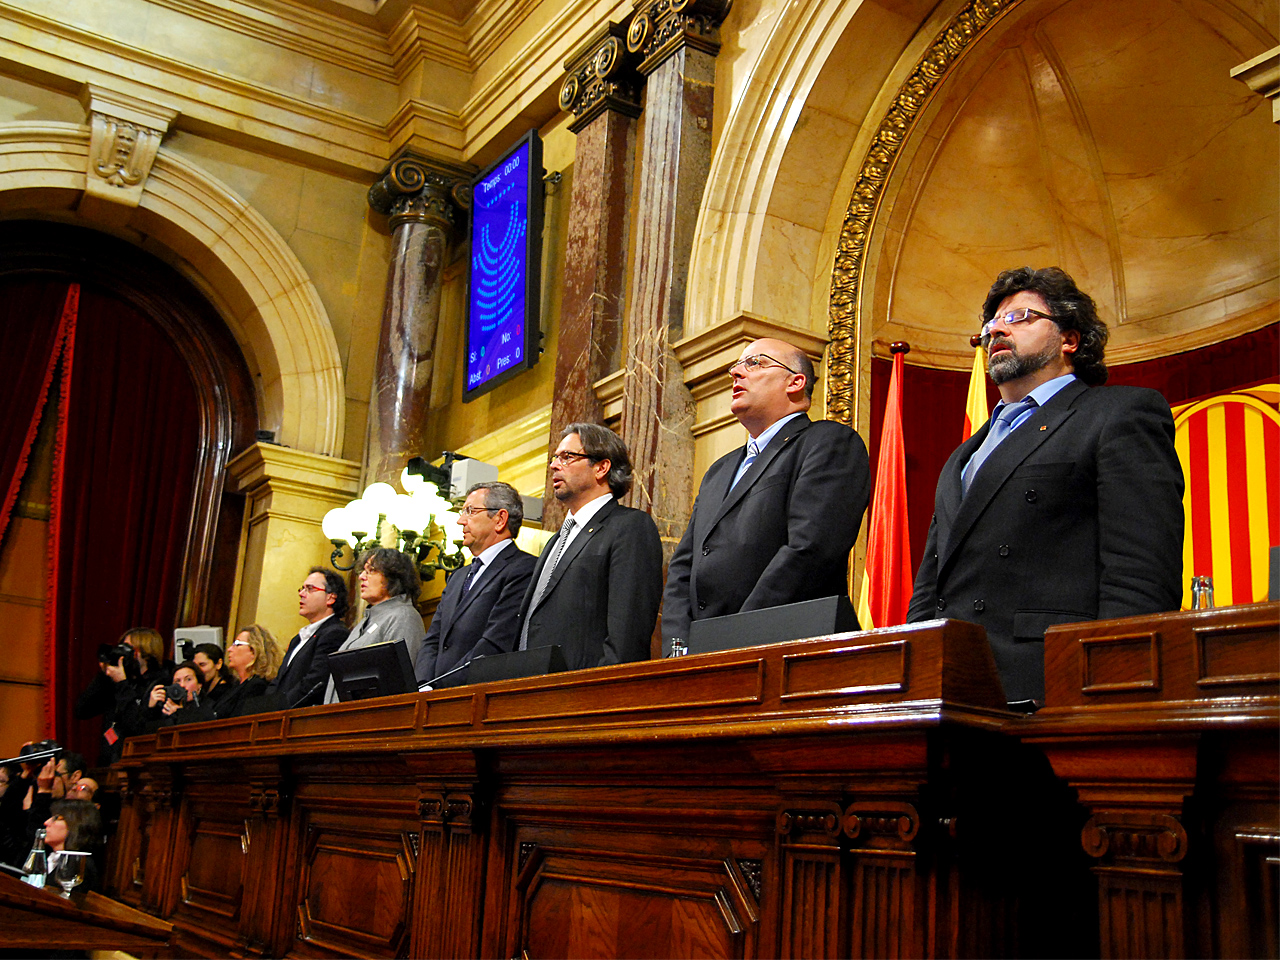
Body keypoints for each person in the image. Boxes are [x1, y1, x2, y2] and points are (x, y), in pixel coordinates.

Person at [906, 266, 1184, 707]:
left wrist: (1114, 688)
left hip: (1051, 687)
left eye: (1019, 317)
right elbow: (931, 583)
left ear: (1069, 339)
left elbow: (1140, 573)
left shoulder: (1119, 413)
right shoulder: (964, 454)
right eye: (992, 323)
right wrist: (916, 670)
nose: (997, 328)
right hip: (949, 691)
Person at [663, 338, 871, 645]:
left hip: (785, 645)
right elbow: (684, 565)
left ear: (795, 382)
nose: (736, 373)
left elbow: (810, 549)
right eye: (735, 366)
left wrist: (739, 635)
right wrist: (678, 647)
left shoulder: (827, 442)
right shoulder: (719, 470)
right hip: (703, 655)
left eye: (755, 363)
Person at [517, 423, 663, 670]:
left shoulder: (629, 527)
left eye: (567, 457)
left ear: (601, 467)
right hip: (529, 690)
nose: (554, 465)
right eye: (555, 458)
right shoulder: (556, 540)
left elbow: (627, 635)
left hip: (583, 696)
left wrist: (600, 697)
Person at [415, 482, 536, 688]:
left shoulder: (523, 569)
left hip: (477, 695)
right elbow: (433, 639)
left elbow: (495, 643)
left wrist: (440, 686)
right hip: (434, 699)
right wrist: (424, 684)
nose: (461, 521)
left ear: (500, 519)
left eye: (470, 511)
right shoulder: (458, 576)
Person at [323, 548, 426, 704]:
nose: (361, 577)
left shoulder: (404, 616)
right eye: (363, 571)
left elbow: (397, 684)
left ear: (393, 576)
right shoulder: (366, 620)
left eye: (371, 571)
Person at [270, 567, 350, 708]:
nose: (301, 594)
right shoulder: (297, 639)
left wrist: (280, 707)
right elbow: (279, 680)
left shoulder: (335, 634)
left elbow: (316, 682)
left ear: (330, 597)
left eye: (310, 589)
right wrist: (265, 706)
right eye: (302, 589)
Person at [214, 625, 284, 719]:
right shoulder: (236, 684)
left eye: (237, 644)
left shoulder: (257, 686)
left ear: (254, 651)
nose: (229, 649)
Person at [43, 799, 103, 892]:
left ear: (76, 824)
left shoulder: (80, 865)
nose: (46, 822)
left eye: (56, 818)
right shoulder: (48, 856)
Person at [191, 642, 235, 707]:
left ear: (218, 664)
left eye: (202, 665)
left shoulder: (226, 693)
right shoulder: (203, 691)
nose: (198, 670)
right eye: (195, 666)